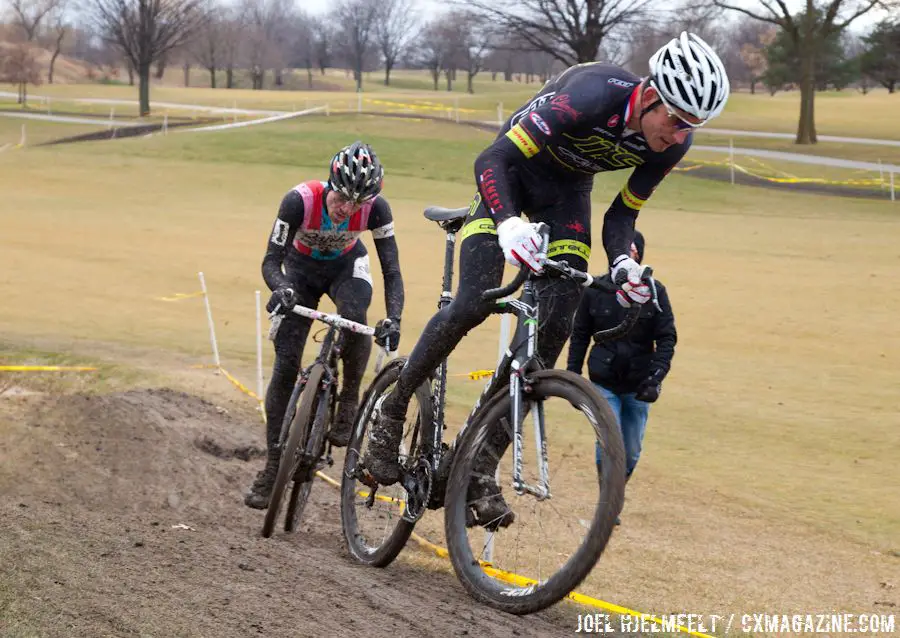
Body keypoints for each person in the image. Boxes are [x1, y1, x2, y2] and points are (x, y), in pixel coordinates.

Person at [363, 32, 729, 527]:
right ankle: (393, 406)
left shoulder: (669, 146)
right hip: (509, 181)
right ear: (649, 96)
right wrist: (509, 223)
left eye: (694, 126)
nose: (681, 134)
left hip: (566, 197)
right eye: (677, 120)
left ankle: (478, 468)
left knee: (553, 332)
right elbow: (492, 160)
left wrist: (623, 264)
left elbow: (621, 218)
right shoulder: (592, 96)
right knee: (475, 302)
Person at [244, 141, 404, 510]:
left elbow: (392, 271)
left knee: (354, 314)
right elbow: (271, 260)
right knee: (286, 364)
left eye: (357, 204)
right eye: (342, 199)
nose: (347, 209)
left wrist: (394, 317)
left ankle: (348, 398)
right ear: (329, 184)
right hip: (299, 273)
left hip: (347, 269)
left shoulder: (377, 210)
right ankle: (272, 468)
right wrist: (281, 288)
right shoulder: (298, 201)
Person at [566, 230, 676, 521]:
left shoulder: (655, 292)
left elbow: (667, 338)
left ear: (641, 254)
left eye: (634, 249)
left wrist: (656, 378)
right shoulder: (596, 290)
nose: (630, 255)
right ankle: (608, 503)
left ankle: (614, 492)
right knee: (609, 441)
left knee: (632, 450)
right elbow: (580, 336)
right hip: (603, 380)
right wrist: (572, 378)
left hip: (640, 384)